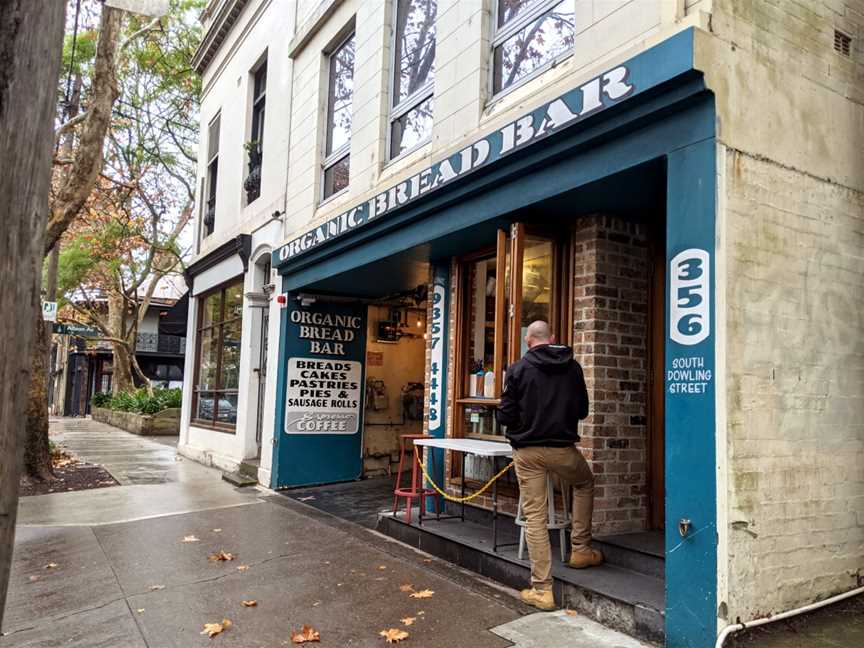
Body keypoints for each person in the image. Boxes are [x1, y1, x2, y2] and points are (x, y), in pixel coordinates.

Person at [497, 320, 602, 611]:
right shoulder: (573, 367)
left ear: (529, 340)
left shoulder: (517, 369)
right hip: (562, 449)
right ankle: (580, 549)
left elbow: (505, 416)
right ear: (552, 338)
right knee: (584, 483)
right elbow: (582, 410)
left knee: (535, 517)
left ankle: (543, 590)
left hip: (528, 452)